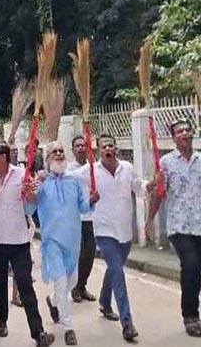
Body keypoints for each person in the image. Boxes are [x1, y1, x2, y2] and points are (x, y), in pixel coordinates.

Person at [70, 135, 147, 342]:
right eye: (103, 146)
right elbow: (69, 177)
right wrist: (47, 174)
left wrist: (152, 185)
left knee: (115, 269)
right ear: (99, 151)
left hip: (124, 231)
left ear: (116, 149)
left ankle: (104, 302)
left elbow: (140, 187)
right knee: (118, 272)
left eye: (110, 145)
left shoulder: (127, 168)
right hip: (104, 231)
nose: (107, 149)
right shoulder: (91, 170)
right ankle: (127, 323)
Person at [0, 142, 55, 347]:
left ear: (3, 158)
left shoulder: (22, 174)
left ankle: (38, 331)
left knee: (25, 284)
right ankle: (2, 320)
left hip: (18, 239)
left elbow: (31, 206)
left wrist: (29, 193)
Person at [28, 141, 98, 346]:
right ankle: (68, 327)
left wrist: (92, 200)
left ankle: (53, 300)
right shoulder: (40, 181)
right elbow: (29, 206)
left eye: (61, 151)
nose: (58, 154)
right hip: (51, 242)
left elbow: (83, 208)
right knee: (60, 281)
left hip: (73, 240)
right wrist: (31, 191)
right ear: (47, 158)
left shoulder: (74, 181)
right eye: (54, 152)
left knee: (72, 281)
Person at [146, 119, 201, 337]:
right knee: (190, 264)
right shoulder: (166, 163)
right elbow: (159, 192)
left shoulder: (200, 159)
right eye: (180, 131)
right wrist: (150, 220)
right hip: (179, 225)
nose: (185, 133)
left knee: (197, 270)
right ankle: (190, 315)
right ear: (174, 138)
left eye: (188, 130)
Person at [66, 135, 96, 304]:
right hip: (76, 216)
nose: (80, 148)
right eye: (77, 146)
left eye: (83, 145)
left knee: (90, 254)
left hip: (92, 216)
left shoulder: (95, 167)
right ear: (73, 149)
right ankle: (74, 286)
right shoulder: (70, 169)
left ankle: (82, 286)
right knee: (79, 254)